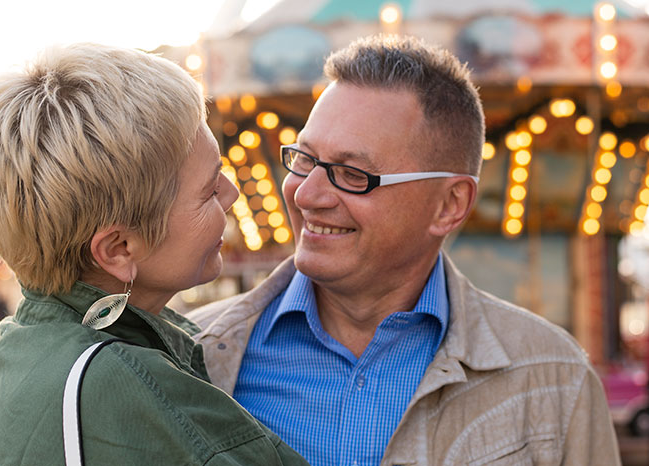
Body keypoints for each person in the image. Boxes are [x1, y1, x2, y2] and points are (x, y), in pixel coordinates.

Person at [188, 35, 621, 465]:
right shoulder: (191, 357)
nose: (307, 195)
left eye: (351, 173)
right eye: (304, 159)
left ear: (449, 205)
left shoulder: (553, 378)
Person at [0, 43, 307, 466]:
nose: (230, 195)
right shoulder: (128, 391)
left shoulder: (14, 352)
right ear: (118, 249)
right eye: (209, 190)